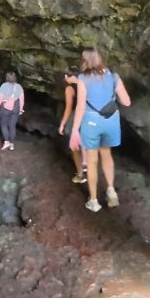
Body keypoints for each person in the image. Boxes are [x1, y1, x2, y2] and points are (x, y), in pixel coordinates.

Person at [70, 48, 131, 211]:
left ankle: (94, 201)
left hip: (91, 122)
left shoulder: (83, 79)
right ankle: (111, 191)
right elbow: (126, 102)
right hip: (111, 120)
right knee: (106, 154)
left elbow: (81, 106)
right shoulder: (114, 76)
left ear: (85, 62)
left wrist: (75, 130)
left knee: (91, 161)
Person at [59, 66, 87, 184]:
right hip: (91, 114)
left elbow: (68, 108)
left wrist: (63, 124)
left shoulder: (69, 88)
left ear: (66, 77)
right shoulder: (84, 82)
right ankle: (86, 164)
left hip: (78, 115)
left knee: (74, 145)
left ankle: (80, 173)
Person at [0, 71, 24, 151]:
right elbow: (21, 100)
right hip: (16, 108)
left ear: (7, 78)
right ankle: (12, 144)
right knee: (12, 126)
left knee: (4, 125)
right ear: (15, 78)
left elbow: (0, 98)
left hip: (5, 108)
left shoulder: (4, 86)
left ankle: (6, 142)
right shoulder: (19, 87)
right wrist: (21, 109)